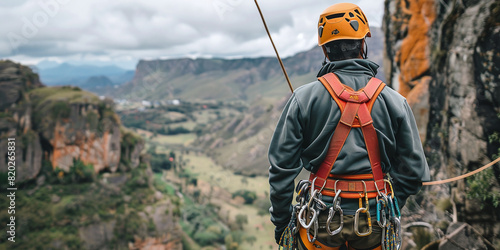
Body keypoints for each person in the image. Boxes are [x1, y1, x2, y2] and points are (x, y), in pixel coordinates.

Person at [268, 3, 430, 250]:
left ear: (324, 49)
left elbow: (281, 170)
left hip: (318, 223)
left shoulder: (303, 99)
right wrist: (386, 205)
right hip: (374, 223)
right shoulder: (395, 102)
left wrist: (282, 224)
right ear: (363, 44)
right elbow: (413, 173)